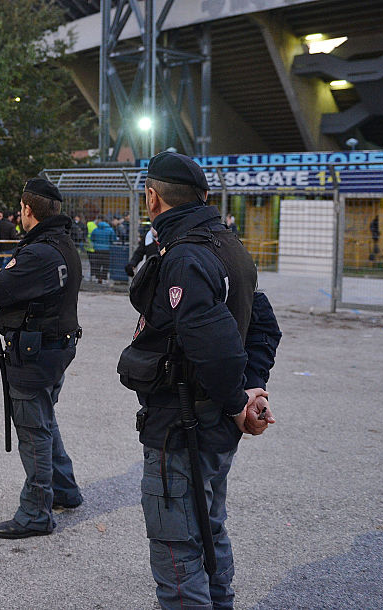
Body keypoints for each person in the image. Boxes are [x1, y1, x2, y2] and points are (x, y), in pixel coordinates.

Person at [117, 151, 281, 609]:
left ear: (152, 197)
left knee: (178, 546)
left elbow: (218, 346)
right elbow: (263, 325)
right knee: (208, 530)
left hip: (184, 422)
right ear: (204, 196)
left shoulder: (187, 256)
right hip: (210, 421)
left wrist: (237, 401)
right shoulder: (226, 244)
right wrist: (250, 391)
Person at [0, 177, 83, 539]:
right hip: (53, 346)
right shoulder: (62, 243)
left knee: (33, 429)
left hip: (36, 351)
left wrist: (5, 272)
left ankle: (36, 511)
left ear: (27, 210)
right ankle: (65, 489)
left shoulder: (39, 251)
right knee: (44, 417)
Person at [89, 214, 115, 282]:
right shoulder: (110, 230)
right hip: (107, 250)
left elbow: (92, 239)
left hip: (97, 249)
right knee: (105, 264)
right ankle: (104, 277)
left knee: (97, 264)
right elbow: (113, 239)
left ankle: (98, 277)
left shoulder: (95, 230)